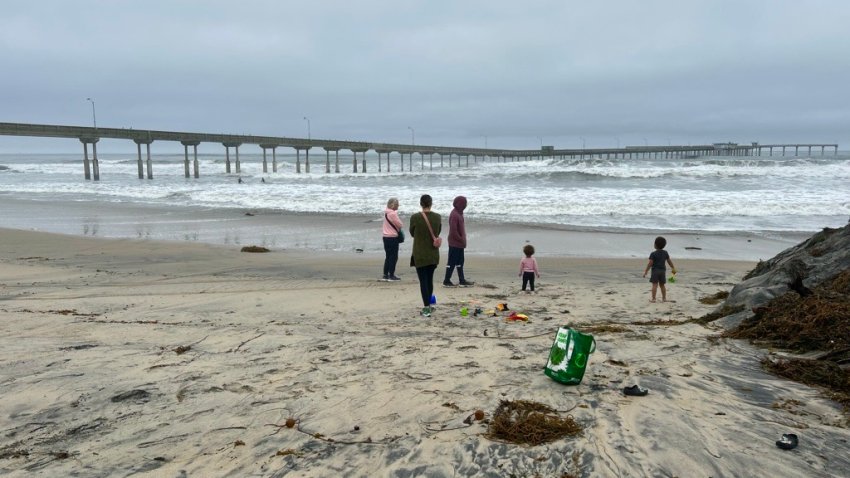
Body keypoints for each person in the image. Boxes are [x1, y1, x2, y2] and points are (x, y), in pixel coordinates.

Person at [410, 194, 441, 317]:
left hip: (420, 253)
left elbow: (412, 233)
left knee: (423, 281)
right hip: (433, 253)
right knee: (429, 280)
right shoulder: (437, 217)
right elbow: (437, 232)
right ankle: (429, 305)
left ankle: (426, 307)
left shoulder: (415, 217)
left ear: (421, 204)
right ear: (431, 203)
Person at [443, 195, 474, 287]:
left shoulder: (460, 213)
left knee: (460, 262)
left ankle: (462, 280)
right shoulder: (454, 215)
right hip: (454, 243)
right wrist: (461, 240)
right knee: (451, 262)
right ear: (460, 204)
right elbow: (453, 231)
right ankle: (447, 280)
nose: (466, 205)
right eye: (464, 203)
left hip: (460, 244)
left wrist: (463, 241)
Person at [642, 236, 677, 302]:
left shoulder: (653, 254)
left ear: (655, 245)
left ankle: (653, 299)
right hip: (662, 271)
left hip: (655, 271)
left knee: (654, 285)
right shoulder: (665, 252)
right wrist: (673, 268)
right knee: (662, 285)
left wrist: (646, 271)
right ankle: (664, 298)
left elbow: (650, 263)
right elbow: (669, 261)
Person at [382, 197, 403, 281]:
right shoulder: (393, 214)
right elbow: (400, 224)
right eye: (397, 204)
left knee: (388, 256)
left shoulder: (386, 213)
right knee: (393, 257)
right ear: (392, 205)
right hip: (392, 237)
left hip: (385, 237)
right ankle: (391, 275)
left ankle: (385, 274)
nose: (398, 206)